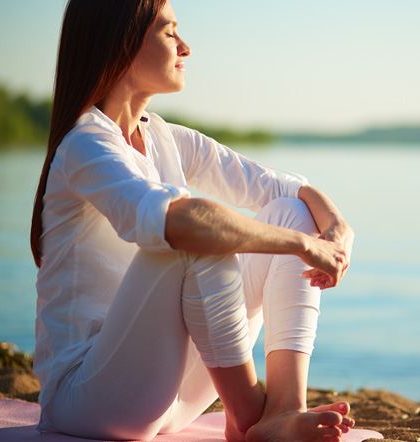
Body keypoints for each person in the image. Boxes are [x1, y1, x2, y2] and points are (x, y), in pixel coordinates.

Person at [28, 1, 355, 441]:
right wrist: (300, 245)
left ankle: (282, 409)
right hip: (89, 399)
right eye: (169, 32)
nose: (186, 47)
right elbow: (178, 222)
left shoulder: (163, 136)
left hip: (173, 394)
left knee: (292, 214)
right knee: (192, 237)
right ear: (120, 46)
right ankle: (248, 416)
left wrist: (336, 229)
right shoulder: (85, 145)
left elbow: (284, 189)